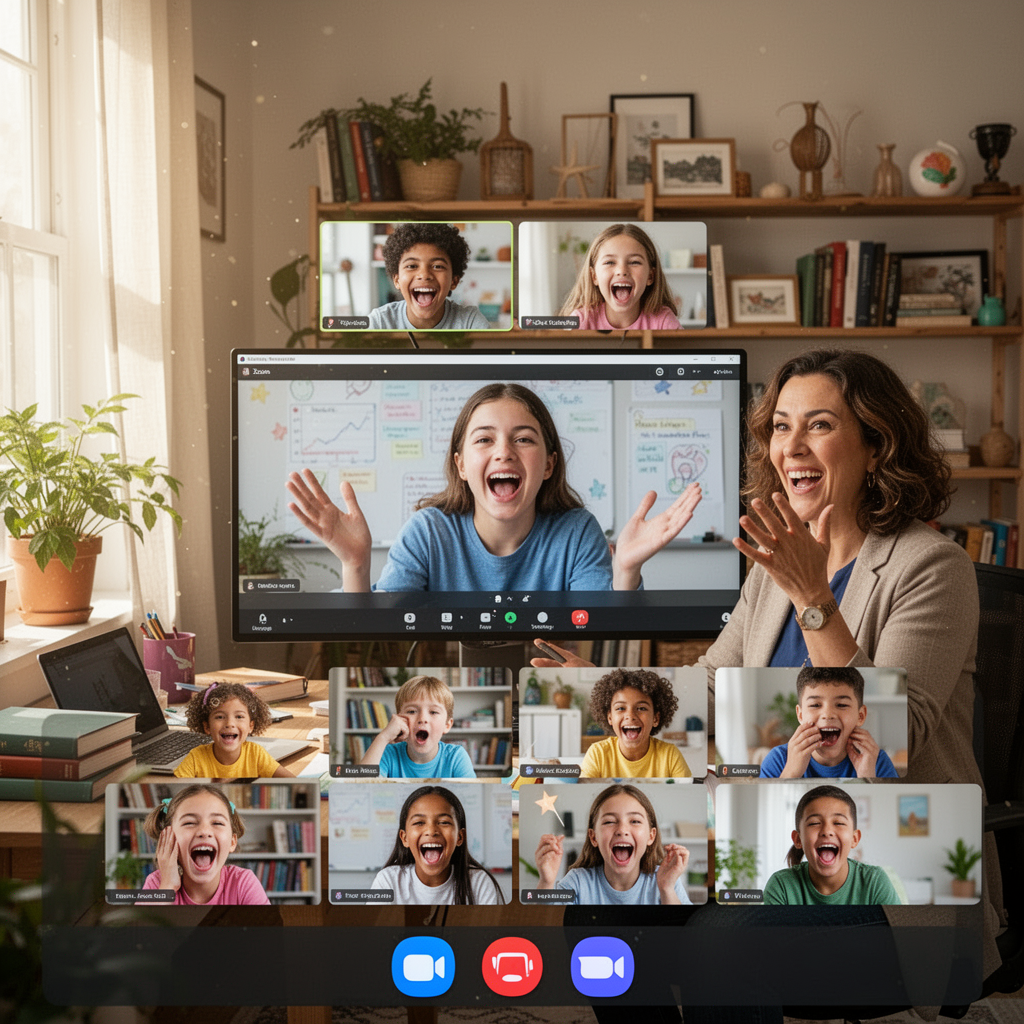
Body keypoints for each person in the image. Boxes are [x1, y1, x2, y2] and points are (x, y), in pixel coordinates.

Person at [533, 349, 1003, 984]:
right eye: (782, 426)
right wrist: (608, 684)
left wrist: (815, 598)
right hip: (760, 839)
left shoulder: (931, 567)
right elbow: (710, 685)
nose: (793, 447)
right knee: (598, 913)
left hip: (889, 860)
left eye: (820, 425)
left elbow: (895, 741)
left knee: (722, 944)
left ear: (876, 445)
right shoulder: (776, 566)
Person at [287, 381, 701, 592]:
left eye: (524, 439)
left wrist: (626, 571)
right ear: (462, 465)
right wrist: (356, 564)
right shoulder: (428, 531)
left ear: (549, 465)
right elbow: (375, 635)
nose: (504, 452)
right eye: (484, 439)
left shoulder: (576, 532)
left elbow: (605, 637)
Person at [533, 783, 691, 905]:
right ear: (593, 837)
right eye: (609, 821)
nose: (622, 830)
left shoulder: (667, 881)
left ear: (651, 836)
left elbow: (685, 934)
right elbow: (544, 926)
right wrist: (546, 881)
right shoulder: (578, 882)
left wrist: (667, 889)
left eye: (635, 821)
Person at [762, 785, 900, 906]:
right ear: (798, 839)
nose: (827, 831)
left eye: (838, 823)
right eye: (814, 823)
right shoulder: (781, 886)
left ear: (854, 838)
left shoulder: (875, 882)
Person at [369, 785, 504, 905]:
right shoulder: (388, 881)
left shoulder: (479, 883)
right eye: (419, 823)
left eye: (444, 822)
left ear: (460, 837)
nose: (431, 831)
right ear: (405, 838)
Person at [139, 784, 271, 905]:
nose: (204, 831)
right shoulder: (157, 884)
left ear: (232, 842)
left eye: (217, 823)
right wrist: (168, 886)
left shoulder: (243, 883)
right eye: (189, 823)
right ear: (169, 839)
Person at [759, 666, 899, 778]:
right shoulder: (777, 760)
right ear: (800, 715)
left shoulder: (876, 761)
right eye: (815, 705)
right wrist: (791, 773)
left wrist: (866, 776)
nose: (827, 715)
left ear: (860, 716)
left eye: (841, 705)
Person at [366, 222, 490, 331]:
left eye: (437, 266)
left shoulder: (470, 322)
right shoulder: (380, 322)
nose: (424, 275)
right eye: (412, 266)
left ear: (454, 280)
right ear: (397, 280)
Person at [560, 224, 681, 330]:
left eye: (634, 262)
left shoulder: (664, 320)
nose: (622, 271)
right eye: (610, 262)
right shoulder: (581, 321)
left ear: (650, 276)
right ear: (594, 276)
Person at [580, 668, 692, 778]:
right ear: (610, 717)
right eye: (620, 708)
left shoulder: (670, 755)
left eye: (641, 708)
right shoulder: (597, 753)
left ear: (655, 719)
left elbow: (686, 793)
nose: (630, 716)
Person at [359, 674, 475, 778]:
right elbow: (361, 787)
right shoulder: (387, 753)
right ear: (399, 720)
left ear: (447, 725)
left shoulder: (456, 757)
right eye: (412, 711)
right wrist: (383, 737)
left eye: (433, 712)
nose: (422, 719)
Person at [174, 682, 294, 779]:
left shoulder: (256, 754)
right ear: (207, 727)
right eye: (220, 717)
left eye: (239, 717)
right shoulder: (196, 757)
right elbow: (174, 793)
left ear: (250, 726)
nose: (230, 724)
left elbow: (295, 783)